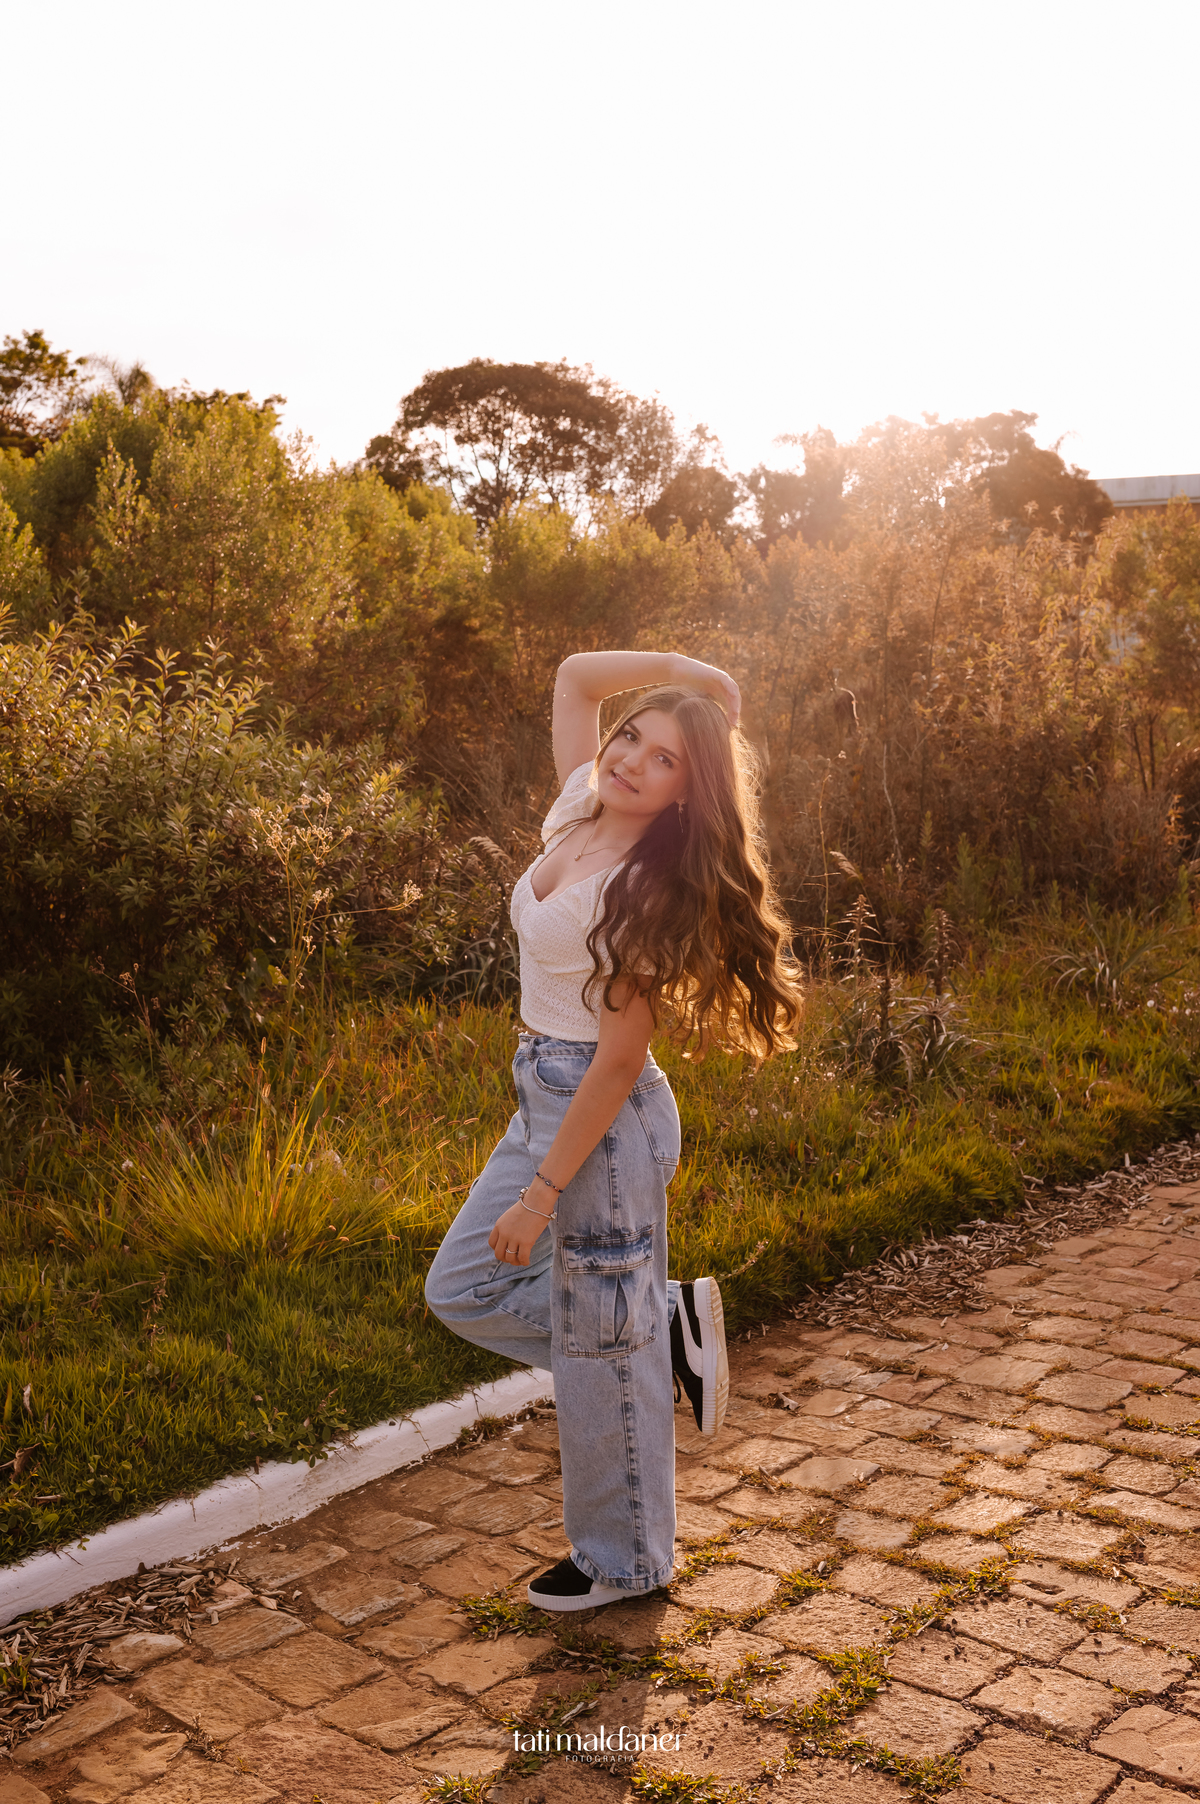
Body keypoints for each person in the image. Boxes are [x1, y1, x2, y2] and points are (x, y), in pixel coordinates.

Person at [424, 650, 802, 1611]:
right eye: (632, 736)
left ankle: (625, 1563)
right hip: (543, 1088)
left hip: (602, 1110)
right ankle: (657, 1331)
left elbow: (622, 1057)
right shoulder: (578, 813)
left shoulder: (648, 886)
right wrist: (686, 672)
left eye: (664, 758)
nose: (630, 758)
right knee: (463, 1286)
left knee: (599, 1334)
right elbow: (573, 678)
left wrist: (542, 1189)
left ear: (689, 794)